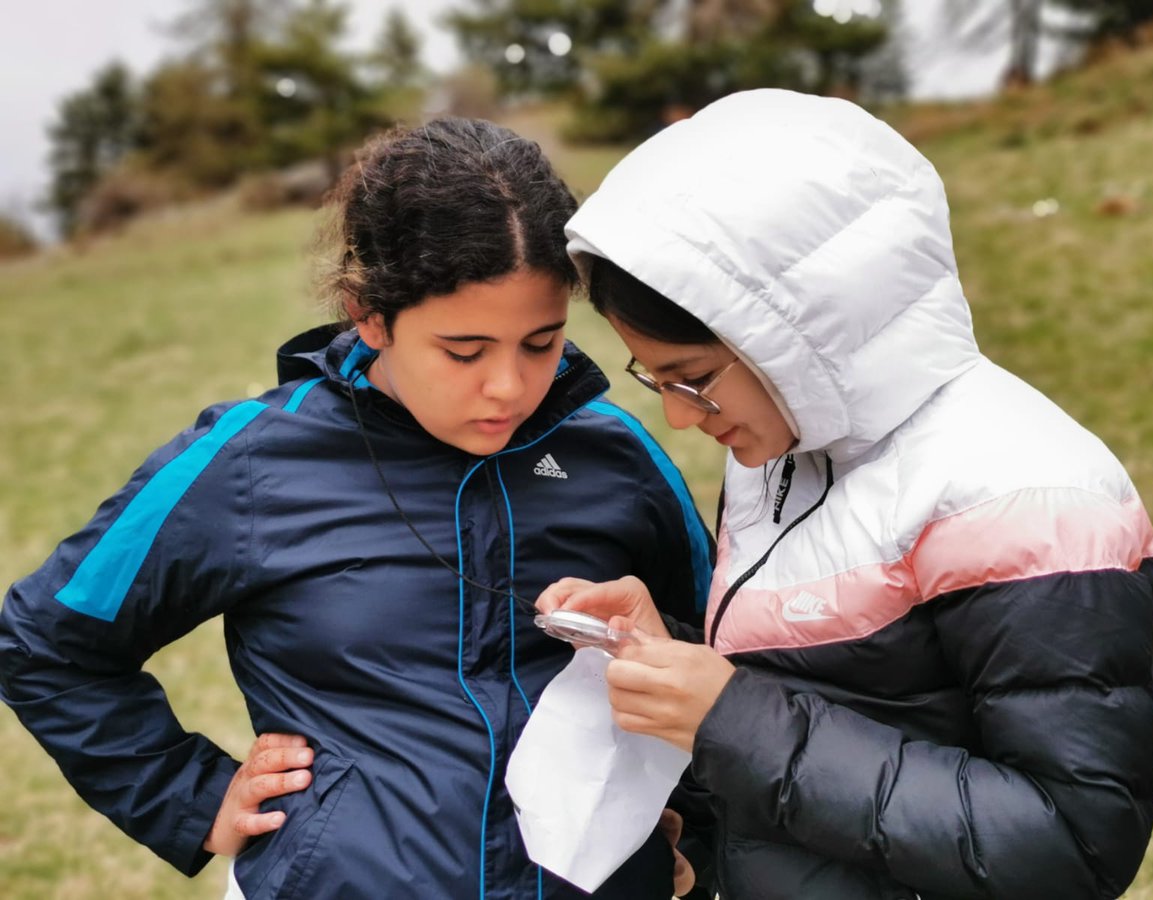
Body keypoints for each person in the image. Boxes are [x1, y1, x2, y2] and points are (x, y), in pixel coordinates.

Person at [0, 117, 714, 899]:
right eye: (464, 351)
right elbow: (45, 645)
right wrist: (193, 798)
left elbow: (727, 667)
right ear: (368, 315)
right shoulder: (249, 462)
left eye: (541, 343)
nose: (509, 386)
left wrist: (694, 834)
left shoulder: (618, 455)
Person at [538, 89, 1153, 899]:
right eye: (654, 379)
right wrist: (676, 654)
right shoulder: (786, 449)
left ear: (800, 334)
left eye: (692, 380)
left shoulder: (1027, 493)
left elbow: (1070, 843)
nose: (682, 418)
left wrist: (727, 718)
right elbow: (860, 691)